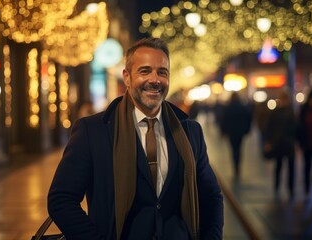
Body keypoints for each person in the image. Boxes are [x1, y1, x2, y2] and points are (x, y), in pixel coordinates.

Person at [47, 37, 224, 240]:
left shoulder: (190, 131)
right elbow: (61, 200)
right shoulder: (93, 132)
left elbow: (211, 196)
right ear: (127, 77)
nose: (155, 80)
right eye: (145, 71)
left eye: (162, 72)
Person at [264, 88, 296, 198]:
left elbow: (295, 127)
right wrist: (269, 141)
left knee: (290, 167)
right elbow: (269, 127)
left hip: (288, 143)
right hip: (279, 143)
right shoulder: (277, 112)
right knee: (279, 166)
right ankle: (277, 186)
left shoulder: (290, 111)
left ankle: (290, 188)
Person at [220, 91, 252, 177]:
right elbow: (249, 118)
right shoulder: (242, 107)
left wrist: (223, 132)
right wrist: (247, 129)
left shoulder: (228, 107)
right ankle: (238, 165)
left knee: (233, 149)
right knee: (239, 148)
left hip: (231, 132)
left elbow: (223, 120)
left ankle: (235, 165)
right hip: (240, 131)